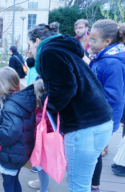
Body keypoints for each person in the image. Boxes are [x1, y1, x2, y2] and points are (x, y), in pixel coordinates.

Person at [27, 22, 113, 192]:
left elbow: (65, 89)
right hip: (100, 123)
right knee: (82, 182)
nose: (29, 51)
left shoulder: (48, 52)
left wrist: (45, 100)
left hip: (84, 127)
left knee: (77, 186)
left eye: (29, 45)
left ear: (37, 41)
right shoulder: (63, 49)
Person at [88, 19, 125, 191]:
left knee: (94, 153)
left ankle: (94, 186)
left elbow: (113, 96)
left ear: (107, 41)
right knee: (94, 152)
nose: (89, 42)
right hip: (98, 114)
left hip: (103, 117)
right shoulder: (102, 57)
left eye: (94, 40)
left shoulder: (112, 63)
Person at [0, 67, 36, 192]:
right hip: (21, 151)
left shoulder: (10, 106)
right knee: (14, 180)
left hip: (11, 155)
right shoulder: (22, 100)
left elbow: (8, 135)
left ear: (3, 86)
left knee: (8, 183)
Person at [28, 79, 52, 192]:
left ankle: (43, 189)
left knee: (43, 170)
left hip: (43, 146)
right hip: (41, 145)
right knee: (40, 168)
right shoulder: (40, 109)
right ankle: (41, 183)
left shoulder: (43, 112)